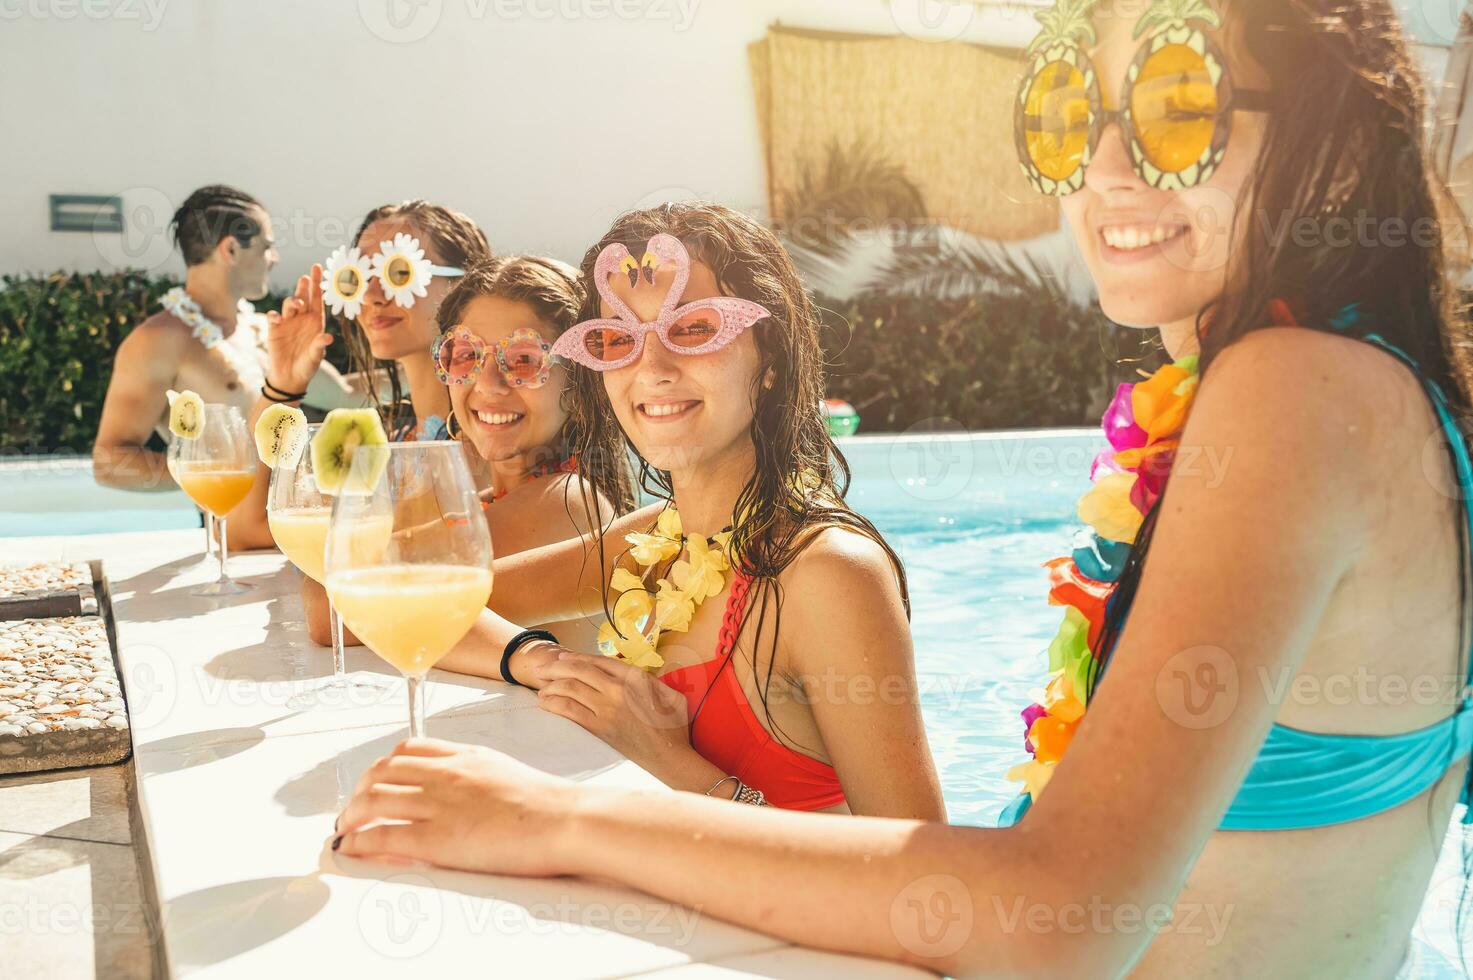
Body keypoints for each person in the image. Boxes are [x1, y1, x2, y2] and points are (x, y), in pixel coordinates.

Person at [335, 2, 1473, 976]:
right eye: (1071, 115)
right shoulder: (1315, 384)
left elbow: (1056, 914)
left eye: (1184, 105)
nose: (1108, 168)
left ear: (1331, 147)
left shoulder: (1297, 388)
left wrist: (566, 815)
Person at [427, 204, 946, 818]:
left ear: (772, 359)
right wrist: (544, 661)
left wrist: (671, 761)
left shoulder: (826, 574)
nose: (652, 369)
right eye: (619, 339)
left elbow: (922, 878)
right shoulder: (653, 541)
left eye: (695, 329)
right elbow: (425, 603)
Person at [264, 199, 492, 638]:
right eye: (359, 278)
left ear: (465, 286)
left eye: (398, 273)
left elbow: (338, 606)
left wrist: (334, 559)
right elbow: (254, 525)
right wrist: (283, 384)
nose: (372, 294)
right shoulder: (389, 435)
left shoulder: (485, 441)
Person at [92, 185, 358, 507]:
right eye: (267, 247)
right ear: (231, 249)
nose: (275, 259)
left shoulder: (263, 330)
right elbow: (110, 463)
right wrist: (214, 474)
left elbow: (348, 395)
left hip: (296, 515)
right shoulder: (159, 340)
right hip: (228, 530)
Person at [431, 255, 636, 650]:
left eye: (524, 360)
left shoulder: (566, 501)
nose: (488, 384)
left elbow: (335, 607)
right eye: (467, 355)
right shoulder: (494, 500)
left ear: (580, 387)